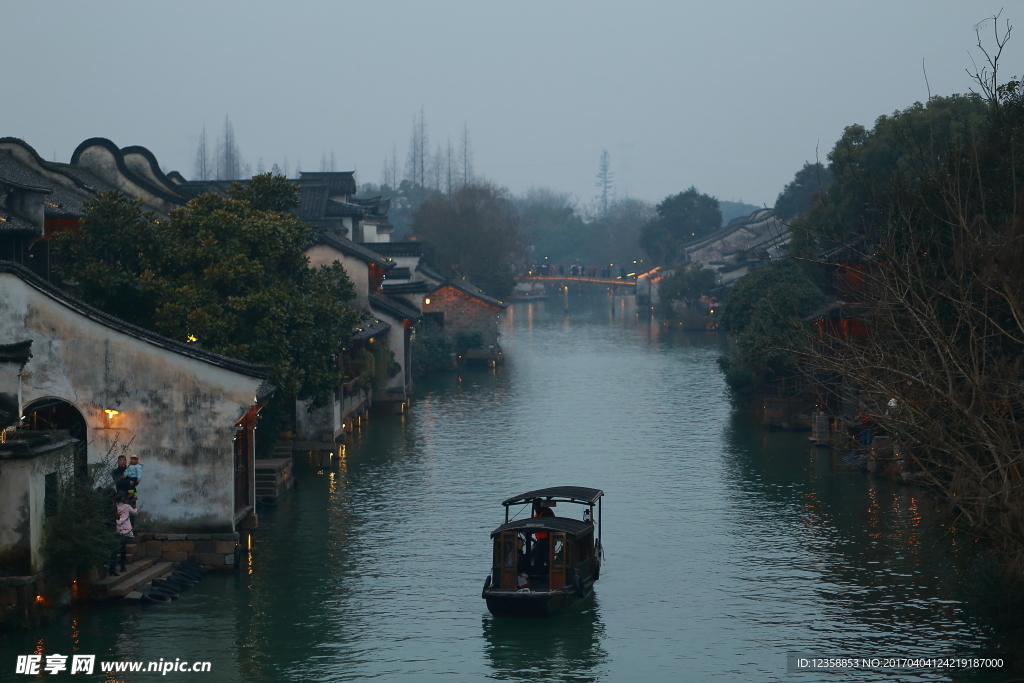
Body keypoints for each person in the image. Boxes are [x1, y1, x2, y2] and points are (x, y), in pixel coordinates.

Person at [109, 493, 137, 575]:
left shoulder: (114, 507)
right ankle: (122, 566)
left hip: (117, 528)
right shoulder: (127, 506)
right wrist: (134, 505)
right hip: (125, 529)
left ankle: (114, 567)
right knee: (123, 548)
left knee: (116, 548)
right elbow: (135, 513)